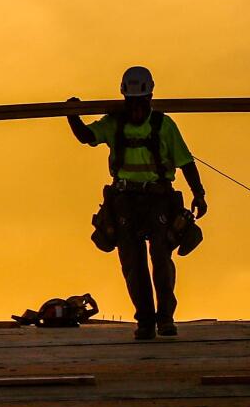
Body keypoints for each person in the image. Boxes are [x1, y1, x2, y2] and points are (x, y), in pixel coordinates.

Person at [67, 66, 207, 340]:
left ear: (150, 98)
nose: (136, 109)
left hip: (158, 199)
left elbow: (186, 162)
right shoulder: (114, 123)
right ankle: (145, 321)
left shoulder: (163, 126)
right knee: (133, 261)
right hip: (124, 201)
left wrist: (198, 193)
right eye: (131, 102)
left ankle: (165, 318)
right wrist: (73, 116)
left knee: (160, 257)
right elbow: (86, 136)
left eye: (141, 102)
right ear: (125, 100)